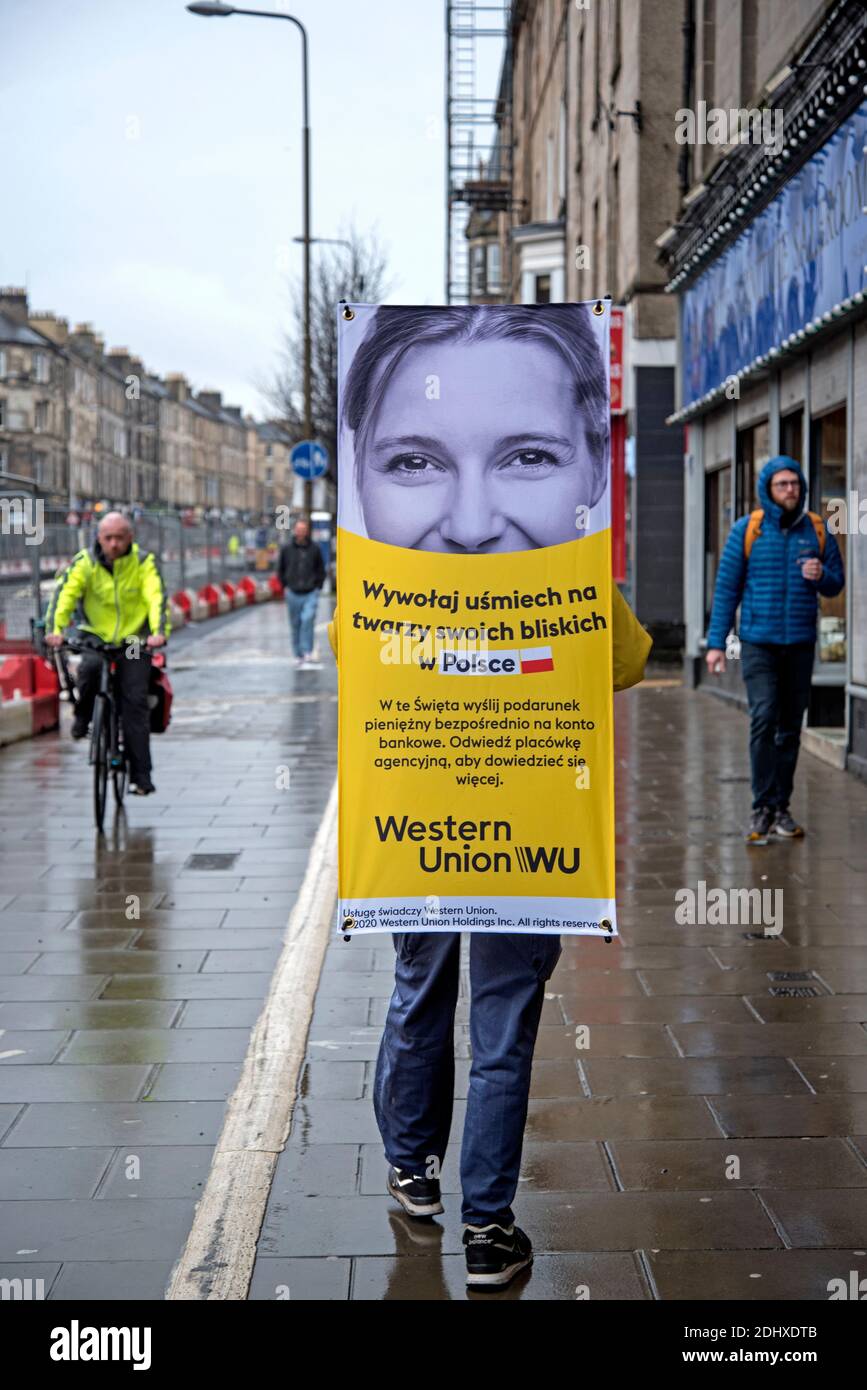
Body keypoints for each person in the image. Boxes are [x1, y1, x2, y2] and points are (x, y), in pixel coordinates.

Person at [334, 303, 652, 1287]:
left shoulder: (372, 602)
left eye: (524, 456)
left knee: (418, 997)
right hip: (531, 842)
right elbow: (632, 663)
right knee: (503, 1028)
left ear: (593, 471)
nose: (472, 523)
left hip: (419, 839)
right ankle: (488, 1228)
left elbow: (353, 657)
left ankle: (414, 1174)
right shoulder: (577, 599)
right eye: (418, 463)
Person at [705, 455, 844, 842]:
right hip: (759, 644)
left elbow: (837, 584)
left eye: (795, 484)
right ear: (768, 489)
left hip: (800, 644)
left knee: (789, 728)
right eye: (782, 484)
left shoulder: (816, 529)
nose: (790, 490)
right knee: (764, 717)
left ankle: (781, 807)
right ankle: (761, 807)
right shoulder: (747, 531)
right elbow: (726, 590)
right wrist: (716, 644)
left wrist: (822, 576)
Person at [44, 511, 169, 795]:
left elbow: (156, 597)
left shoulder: (143, 562)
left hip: (135, 639)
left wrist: (157, 631)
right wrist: (56, 629)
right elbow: (65, 595)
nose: (114, 544)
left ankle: (141, 775)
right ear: (99, 537)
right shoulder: (85, 562)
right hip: (95, 635)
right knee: (88, 669)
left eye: (120, 538)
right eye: (108, 538)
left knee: (134, 700)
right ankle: (84, 715)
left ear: (130, 538)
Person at [278, 515, 326, 668]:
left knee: (307, 620)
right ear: (295, 530)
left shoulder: (315, 549)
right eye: (298, 529)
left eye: (303, 530)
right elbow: (281, 569)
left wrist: (318, 585)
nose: (301, 532)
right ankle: (298, 654)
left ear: (307, 531)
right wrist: (285, 584)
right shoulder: (287, 549)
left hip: (310, 591)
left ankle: (307, 651)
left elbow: (320, 569)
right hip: (292, 592)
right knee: (295, 624)